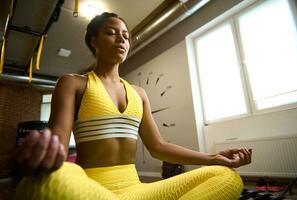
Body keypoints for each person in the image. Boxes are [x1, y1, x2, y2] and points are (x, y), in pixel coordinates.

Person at [14, 12, 252, 200]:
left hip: (137, 190)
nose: (122, 39)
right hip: (91, 189)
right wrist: (41, 156)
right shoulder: (73, 83)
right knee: (47, 181)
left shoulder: (139, 93)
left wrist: (214, 157)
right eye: (111, 33)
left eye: (126, 36)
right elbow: (58, 143)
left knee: (226, 176)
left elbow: (158, 147)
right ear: (93, 41)